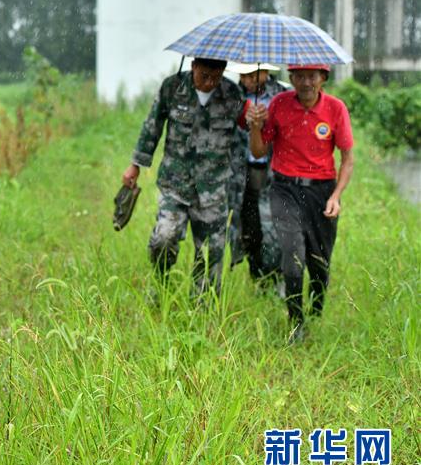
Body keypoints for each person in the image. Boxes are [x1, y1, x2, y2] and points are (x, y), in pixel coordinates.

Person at [247, 63, 354, 344]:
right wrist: (255, 126)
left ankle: (315, 314)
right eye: (300, 77)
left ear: (323, 78)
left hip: (321, 192)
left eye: (312, 76)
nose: (306, 82)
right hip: (285, 189)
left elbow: (347, 159)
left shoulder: (335, 109)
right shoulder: (279, 104)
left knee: (319, 263)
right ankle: (296, 322)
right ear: (291, 78)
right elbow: (258, 150)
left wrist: (335, 196)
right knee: (292, 257)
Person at [122, 58, 245, 296]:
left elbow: (246, 132)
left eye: (216, 77)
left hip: (213, 188)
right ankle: (161, 282)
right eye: (204, 76)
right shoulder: (172, 87)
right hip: (175, 183)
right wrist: (135, 165)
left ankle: (203, 306)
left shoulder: (232, 94)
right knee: (164, 238)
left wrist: (256, 121)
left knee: (210, 253)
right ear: (194, 66)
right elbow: (152, 126)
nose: (209, 83)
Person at [226, 62, 290, 284]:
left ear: (266, 71)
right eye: (244, 76)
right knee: (248, 226)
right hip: (240, 175)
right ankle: (258, 277)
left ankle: (275, 276)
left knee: (274, 226)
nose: (248, 81)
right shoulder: (231, 96)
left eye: (253, 75)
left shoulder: (284, 95)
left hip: (274, 173)